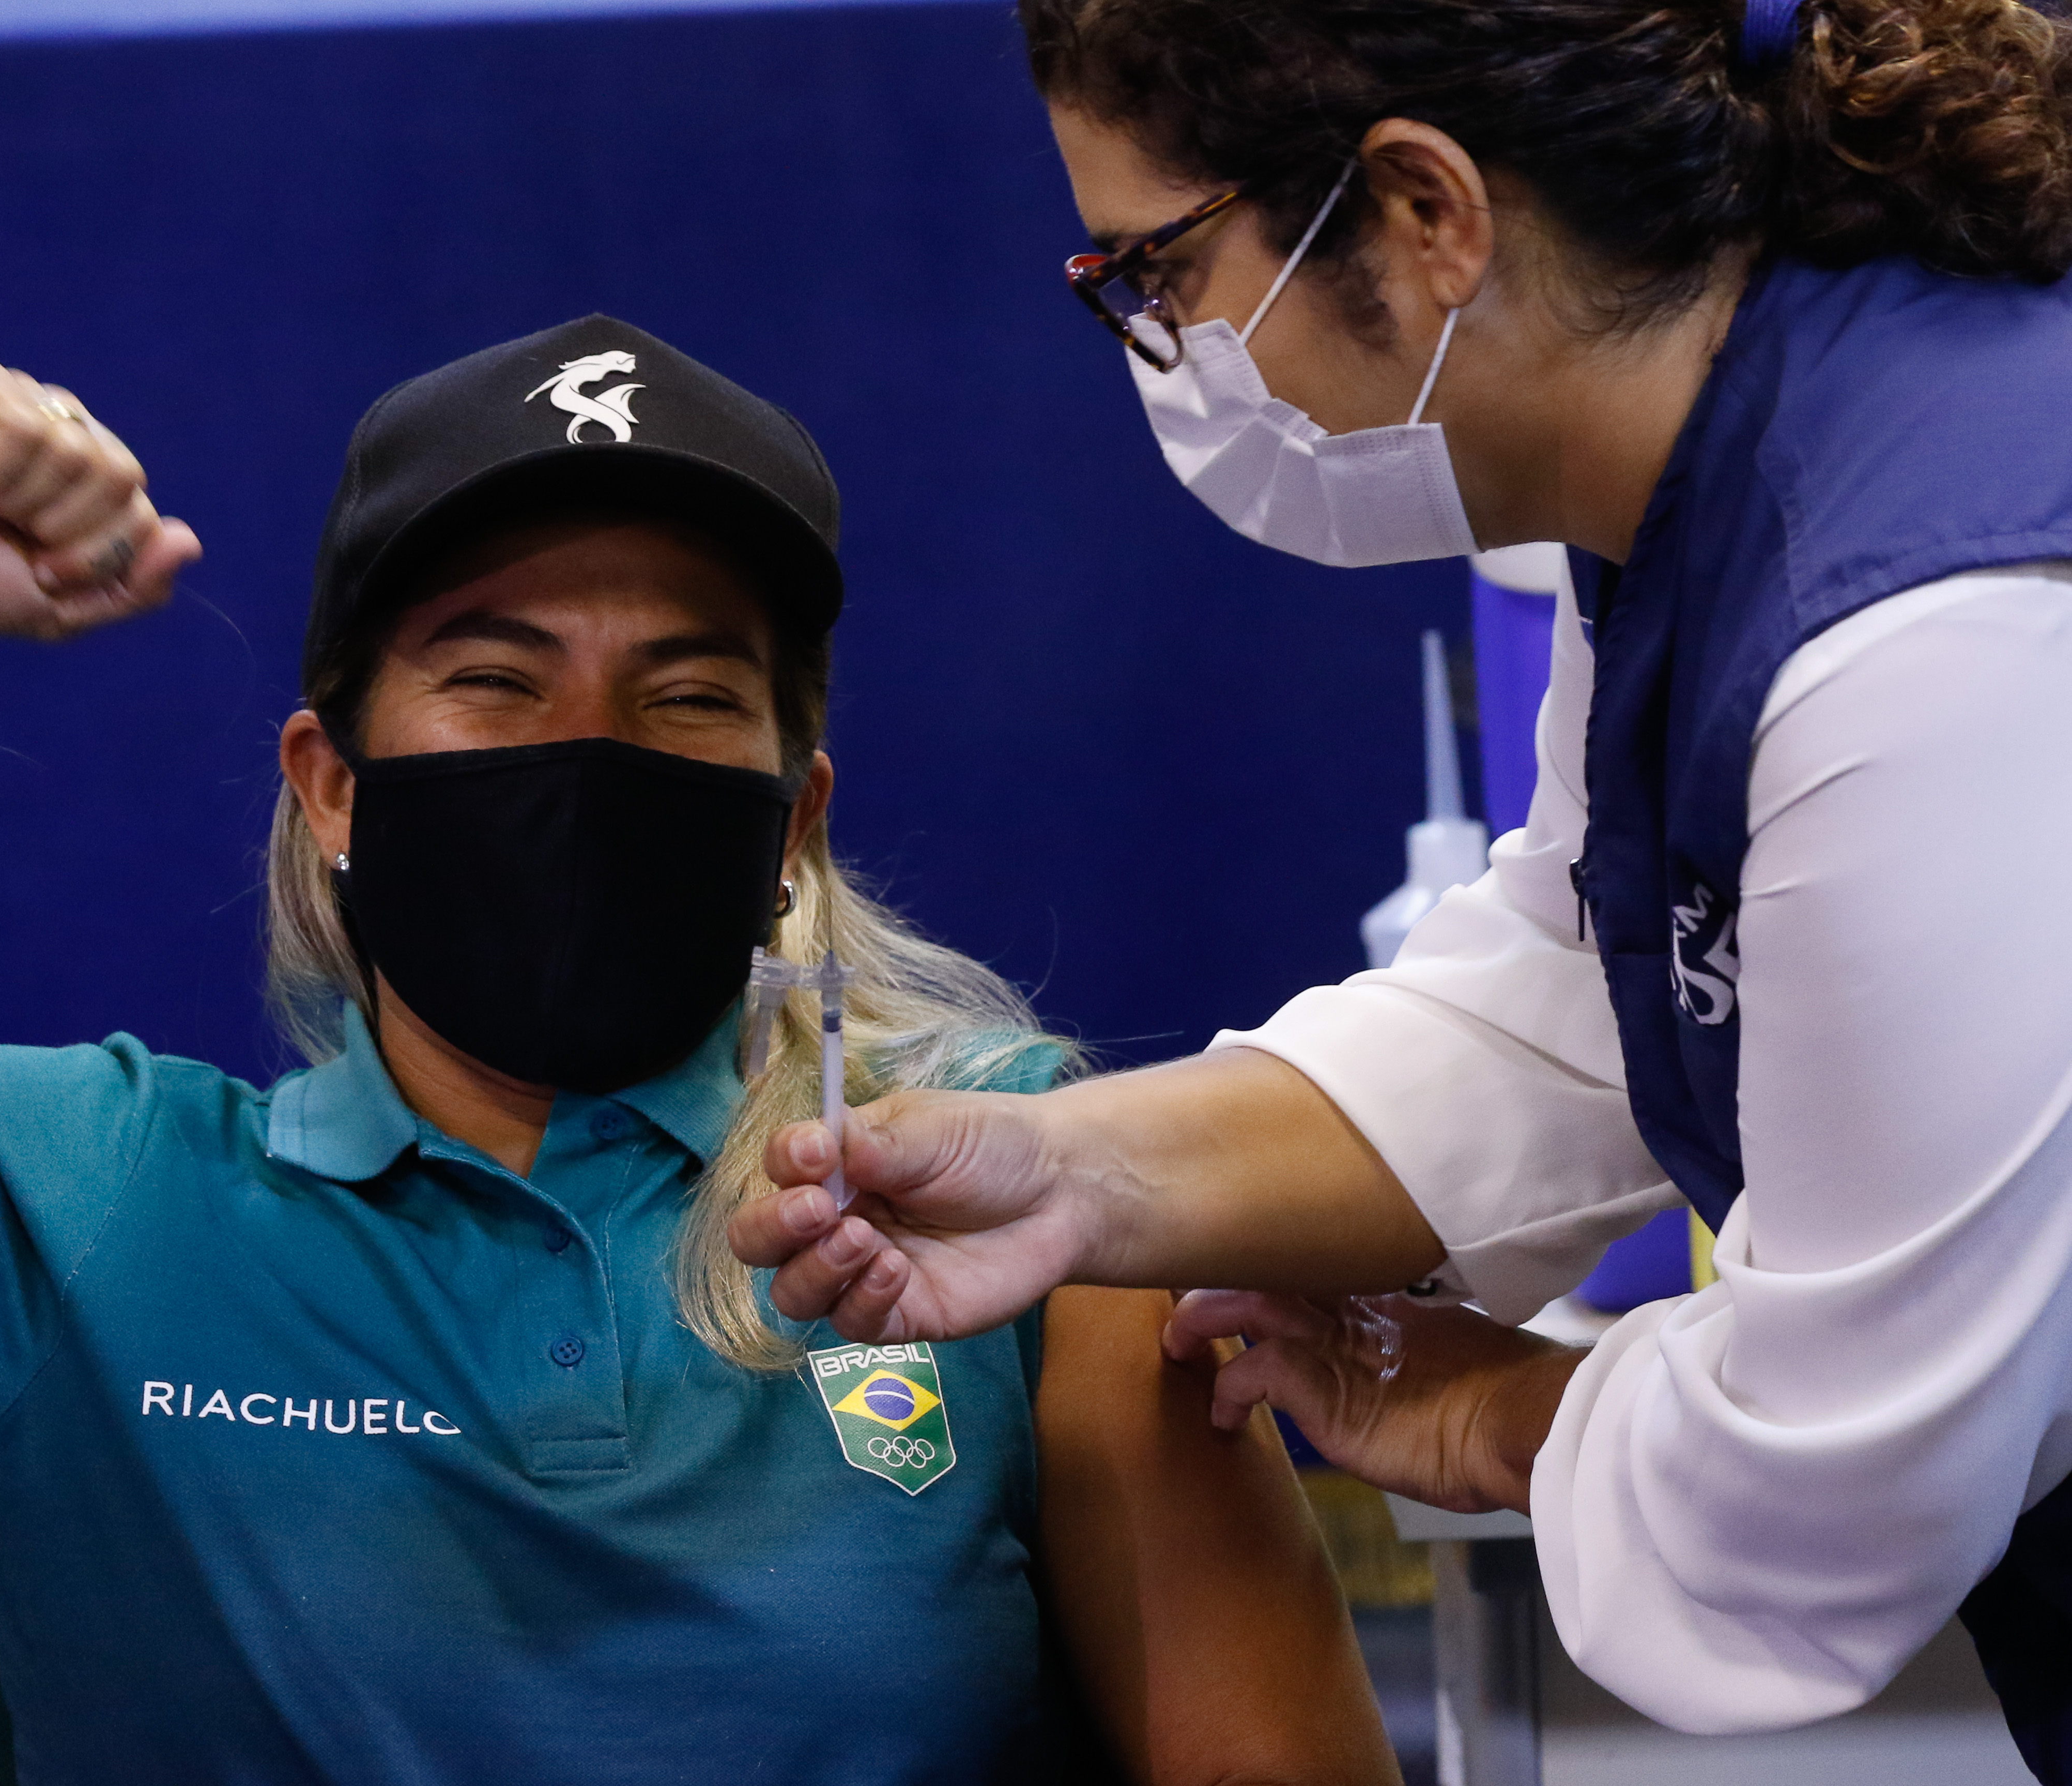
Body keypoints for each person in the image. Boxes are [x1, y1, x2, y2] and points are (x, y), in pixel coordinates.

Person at [0, 316, 1398, 1783]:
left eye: (687, 696)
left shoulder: (1013, 1194)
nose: (588, 754)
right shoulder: (58, 1204)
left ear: (794, 819)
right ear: (331, 786)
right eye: (495, 681)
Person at [728, 0, 2072, 1775]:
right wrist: (1069, 1180)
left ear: (1427, 211)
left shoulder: (1933, 633)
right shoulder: (1714, 473)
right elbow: (1589, 984)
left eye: (1157, 270)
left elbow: (1833, 1509)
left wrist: (1505, 1413)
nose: (1160, 346)